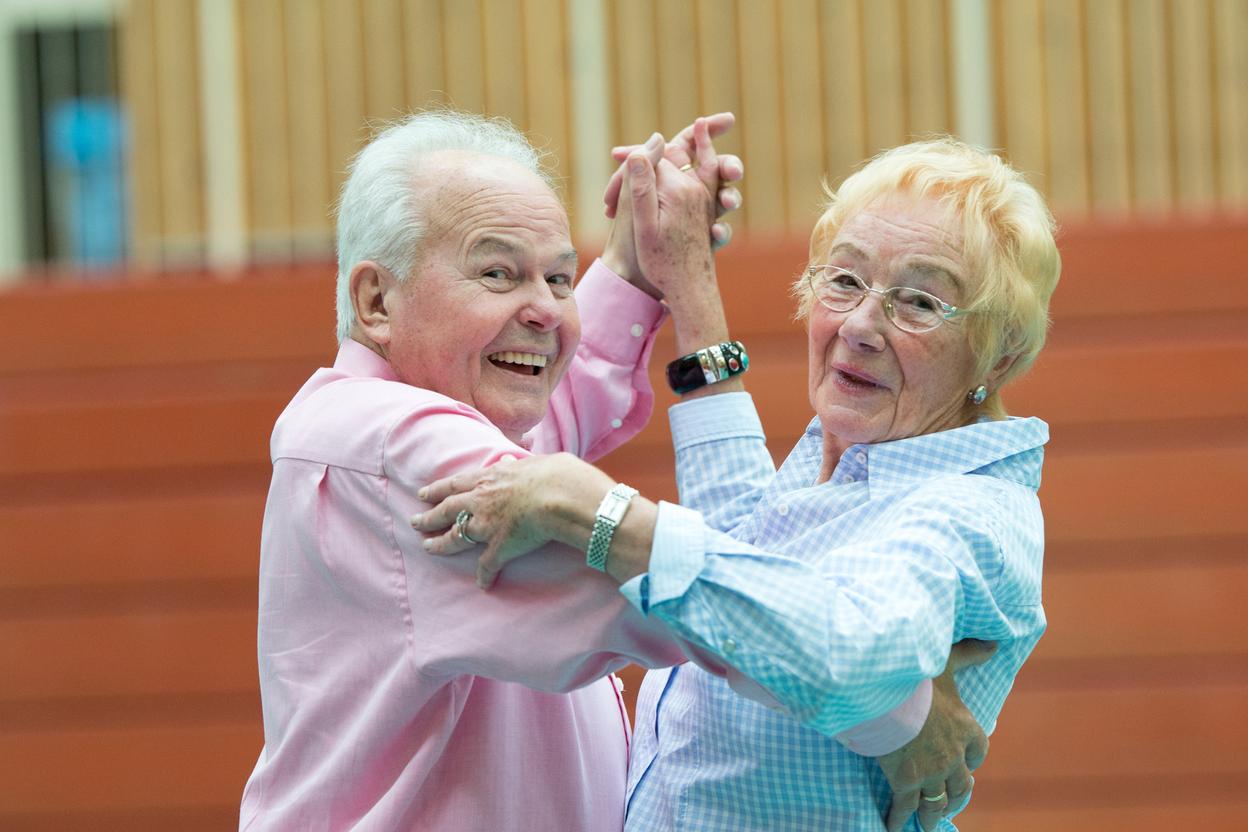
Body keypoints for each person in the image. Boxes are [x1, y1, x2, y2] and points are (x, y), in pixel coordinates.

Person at [240, 110, 976, 831]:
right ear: (376, 300)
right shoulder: (397, 448)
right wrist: (896, 708)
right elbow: (703, 603)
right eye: (498, 273)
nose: (547, 312)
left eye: (560, 280)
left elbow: (551, 427)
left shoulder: (425, 427)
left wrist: (634, 263)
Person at [414, 136, 1061, 830]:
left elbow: (845, 652)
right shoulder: (861, 453)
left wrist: (600, 514)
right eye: (843, 280)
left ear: (1003, 352)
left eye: (921, 303)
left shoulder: (974, 514)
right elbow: (743, 542)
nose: (862, 326)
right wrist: (686, 277)